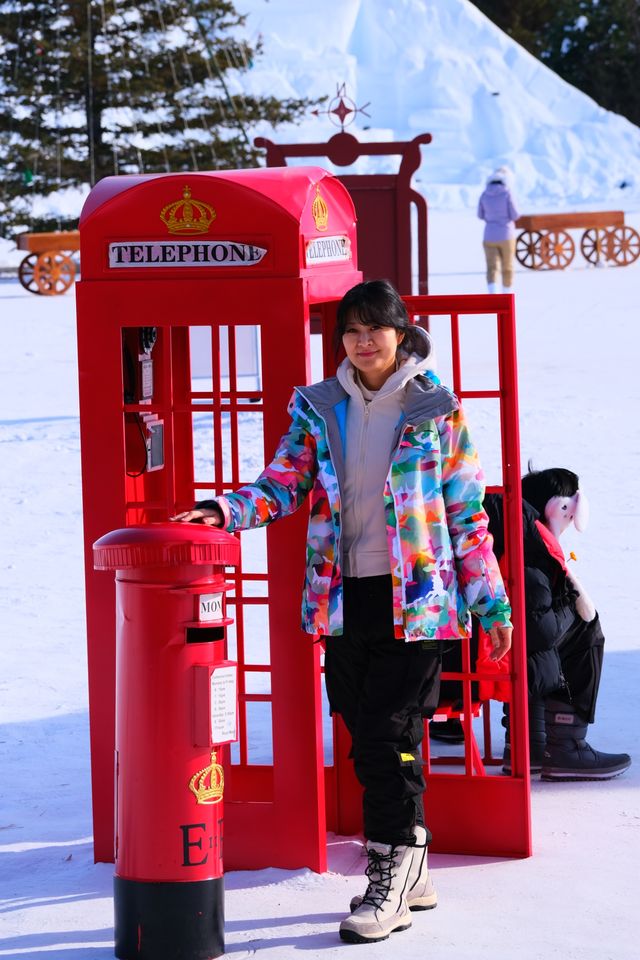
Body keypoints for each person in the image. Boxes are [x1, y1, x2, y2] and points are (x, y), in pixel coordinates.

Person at [172, 279, 512, 944]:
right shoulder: (319, 407)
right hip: (342, 598)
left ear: (401, 332)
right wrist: (223, 512)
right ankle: (411, 868)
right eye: (351, 331)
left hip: (417, 600)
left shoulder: (436, 408)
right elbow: (282, 483)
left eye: (375, 329)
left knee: (390, 734)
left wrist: (491, 601)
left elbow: (468, 514)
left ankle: (390, 874)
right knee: (371, 736)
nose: (363, 342)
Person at [484, 467, 631, 780]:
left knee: (543, 652)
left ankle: (528, 744)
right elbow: (539, 630)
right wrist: (572, 607)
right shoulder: (532, 554)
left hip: (489, 648)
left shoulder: (509, 536)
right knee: (586, 632)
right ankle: (567, 744)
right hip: (502, 651)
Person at [477, 166, 520, 293]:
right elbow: (515, 214)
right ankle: (506, 294)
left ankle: (493, 295)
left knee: (492, 267)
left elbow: (480, 214)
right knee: (507, 266)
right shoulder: (507, 193)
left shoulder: (484, 194)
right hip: (506, 234)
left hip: (489, 235)